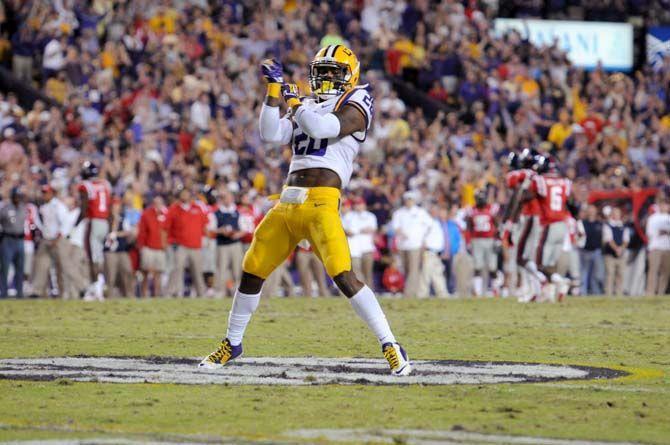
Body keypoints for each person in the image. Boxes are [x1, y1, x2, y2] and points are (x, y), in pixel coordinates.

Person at [200, 46, 411, 375]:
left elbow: (322, 129)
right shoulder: (308, 104)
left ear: (350, 74)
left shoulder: (357, 100)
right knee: (252, 269)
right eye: (322, 71)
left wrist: (294, 101)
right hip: (287, 202)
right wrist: (273, 92)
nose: (326, 78)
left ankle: (390, 343)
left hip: (322, 203)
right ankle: (233, 342)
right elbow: (270, 133)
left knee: (343, 274)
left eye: (333, 72)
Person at [76, 161, 111, 300]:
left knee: (93, 257)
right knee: (99, 257)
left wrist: (74, 226)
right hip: (104, 222)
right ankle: (97, 286)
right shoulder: (105, 184)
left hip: (94, 222)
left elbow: (84, 209)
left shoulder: (86, 186)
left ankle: (97, 288)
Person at [165, 188, 208, 297]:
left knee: (198, 271)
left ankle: (201, 293)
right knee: (177, 269)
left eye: (186, 193)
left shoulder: (197, 208)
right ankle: (171, 292)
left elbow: (204, 225)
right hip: (181, 245)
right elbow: (166, 227)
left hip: (196, 245)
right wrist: (167, 243)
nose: (184, 195)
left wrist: (206, 239)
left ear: (190, 195)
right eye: (183, 194)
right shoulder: (174, 209)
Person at [390, 191, 432, 298]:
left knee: (413, 269)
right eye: (407, 200)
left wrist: (424, 239)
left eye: (411, 200)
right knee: (406, 269)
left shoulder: (421, 212)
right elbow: (395, 227)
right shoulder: (399, 213)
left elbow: (430, 226)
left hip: (415, 245)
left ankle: (409, 293)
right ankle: (413, 291)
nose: (409, 202)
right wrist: (401, 233)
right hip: (402, 245)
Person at [32, 185, 68, 299]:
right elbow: (40, 223)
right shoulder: (43, 207)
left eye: (46, 193)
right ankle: (37, 291)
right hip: (46, 239)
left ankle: (64, 292)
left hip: (57, 240)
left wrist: (58, 238)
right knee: (41, 265)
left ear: (52, 193)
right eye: (43, 193)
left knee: (62, 267)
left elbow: (65, 223)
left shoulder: (58, 206)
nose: (44, 195)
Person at [103, 197, 137, 298]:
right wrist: (114, 221)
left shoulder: (123, 218)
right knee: (110, 275)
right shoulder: (107, 218)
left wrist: (116, 233)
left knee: (128, 271)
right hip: (110, 251)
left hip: (122, 250)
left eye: (117, 205)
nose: (116, 207)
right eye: (114, 205)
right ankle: (109, 296)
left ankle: (130, 294)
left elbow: (127, 232)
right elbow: (107, 232)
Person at [466, 190, 498, 297]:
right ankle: (478, 291)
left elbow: (497, 224)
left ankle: (495, 290)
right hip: (477, 240)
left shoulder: (491, 209)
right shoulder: (471, 210)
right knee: (477, 267)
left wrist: (498, 239)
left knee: (492, 267)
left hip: (490, 239)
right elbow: (469, 227)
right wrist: (468, 241)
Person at [213, 190, 244, 297]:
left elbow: (243, 229)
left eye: (229, 197)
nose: (228, 200)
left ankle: (237, 292)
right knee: (221, 269)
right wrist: (220, 231)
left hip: (235, 244)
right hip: (222, 245)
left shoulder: (237, 212)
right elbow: (211, 229)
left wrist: (236, 234)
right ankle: (220, 291)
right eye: (226, 198)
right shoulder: (217, 213)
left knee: (237, 269)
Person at [342, 197, 377, 289]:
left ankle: (370, 292)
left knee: (368, 273)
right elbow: (349, 230)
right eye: (356, 204)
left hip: (367, 248)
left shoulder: (370, 216)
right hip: (354, 249)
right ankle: (361, 292)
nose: (358, 206)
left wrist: (357, 231)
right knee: (357, 272)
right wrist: (360, 230)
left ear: (364, 205)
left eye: (360, 204)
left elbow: (371, 229)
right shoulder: (350, 216)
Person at [137, 195, 167, 298]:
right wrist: (141, 246)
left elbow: (167, 231)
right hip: (148, 247)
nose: (158, 205)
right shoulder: (146, 214)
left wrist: (166, 245)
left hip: (160, 248)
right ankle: (144, 295)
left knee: (158, 274)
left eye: (160, 203)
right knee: (146, 273)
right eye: (156, 203)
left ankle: (156, 296)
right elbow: (142, 231)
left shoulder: (165, 214)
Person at [0, 187, 26, 298]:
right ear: (12, 197)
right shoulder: (5, 208)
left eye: (19, 196)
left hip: (20, 240)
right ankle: (4, 293)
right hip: (8, 240)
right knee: (5, 268)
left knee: (20, 268)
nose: (17, 198)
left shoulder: (23, 208)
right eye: (15, 196)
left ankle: (19, 293)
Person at [418, 204, 448, 298]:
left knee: (437, 274)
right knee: (426, 274)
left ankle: (442, 293)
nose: (436, 212)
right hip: (428, 252)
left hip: (436, 253)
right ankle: (422, 294)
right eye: (434, 210)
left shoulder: (437, 222)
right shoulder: (427, 222)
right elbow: (422, 237)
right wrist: (422, 251)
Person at [602, 207, 629, 297]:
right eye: (614, 213)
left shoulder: (623, 226)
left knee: (620, 274)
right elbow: (609, 239)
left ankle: (619, 293)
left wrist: (621, 249)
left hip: (621, 254)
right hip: (610, 254)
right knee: (610, 274)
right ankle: (608, 294)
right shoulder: (607, 225)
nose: (616, 215)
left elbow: (626, 240)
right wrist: (616, 249)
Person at [645, 200, 670, 295]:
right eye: (663, 205)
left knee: (666, 272)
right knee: (653, 271)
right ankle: (650, 293)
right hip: (655, 247)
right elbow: (649, 233)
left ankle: (661, 293)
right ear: (659, 206)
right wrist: (660, 232)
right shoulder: (653, 218)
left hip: (667, 248)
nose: (665, 207)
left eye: (667, 205)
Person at [580, 205, 604, 295]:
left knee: (597, 274)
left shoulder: (599, 223)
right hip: (585, 251)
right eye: (589, 210)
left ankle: (596, 292)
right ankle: (583, 292)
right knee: (584, 273)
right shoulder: (582, 223)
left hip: (596, 251)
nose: (591, 212)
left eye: (593, 210)